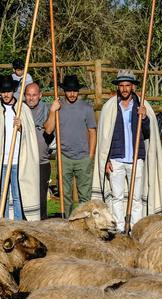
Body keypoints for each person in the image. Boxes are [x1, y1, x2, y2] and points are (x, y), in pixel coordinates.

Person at [91, 70, 162, 232]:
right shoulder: (110, 107)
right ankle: (119, 228)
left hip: (136, 158)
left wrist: (145, 118)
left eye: (127, 85)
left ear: (132, 87)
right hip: (116, 159)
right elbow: (105, 137)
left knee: (136, 198)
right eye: (121, 85)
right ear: (118, 87)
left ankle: (135, 228)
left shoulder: (142, 106)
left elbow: (149, 134)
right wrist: (106, 161)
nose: (124, 89)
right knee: (117, 197)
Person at [0, 77, 41, 220]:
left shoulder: (22, 109)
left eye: (9, 91)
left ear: (13, 92)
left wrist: (22, 126)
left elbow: (30, 136)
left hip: (18, 160)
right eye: (3, 92)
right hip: (0, 161)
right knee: (0, 194)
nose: (6, 95)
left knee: (18, 194)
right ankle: (3, 222)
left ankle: (18, 223)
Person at [49, 74, 96, 216]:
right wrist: (53, 110)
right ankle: (67, 222)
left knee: (85, 197)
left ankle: (85, 222)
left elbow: (92, 132)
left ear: (78, 91)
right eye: (69, 90)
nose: (72, 94)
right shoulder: (58, 107)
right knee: (65, 196)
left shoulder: (86, 108)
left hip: (83, 157)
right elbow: (49, 128)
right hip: (64, 157)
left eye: (74, 90)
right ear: (64, 91)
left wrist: (91, 155)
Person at [23, 82, 54, 218]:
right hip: (24, 162)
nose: (31, 98)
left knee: (41, 197)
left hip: (42, 162)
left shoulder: (46, 109)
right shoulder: (20, 109)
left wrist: (53, 111)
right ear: (24, 96)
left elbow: (49, 129)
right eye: (28, 95)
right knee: (25, 195)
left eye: (34, 95)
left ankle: (41, 224)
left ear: (40, 95)